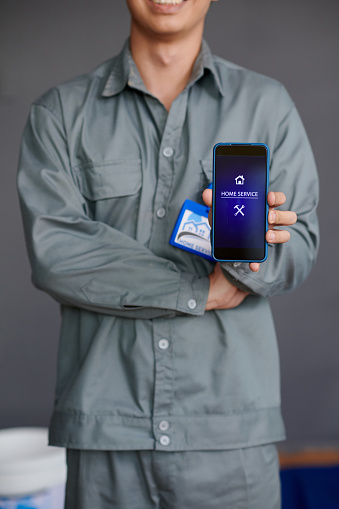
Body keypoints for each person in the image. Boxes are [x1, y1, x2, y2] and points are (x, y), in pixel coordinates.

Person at [17, 0, 319, 507]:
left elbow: (300, 248)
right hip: (104, 440)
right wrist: (197, 290)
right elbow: (57, 252)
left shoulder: (266, 105)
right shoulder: (61, 113)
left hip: (231, 441)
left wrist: (251, 252)